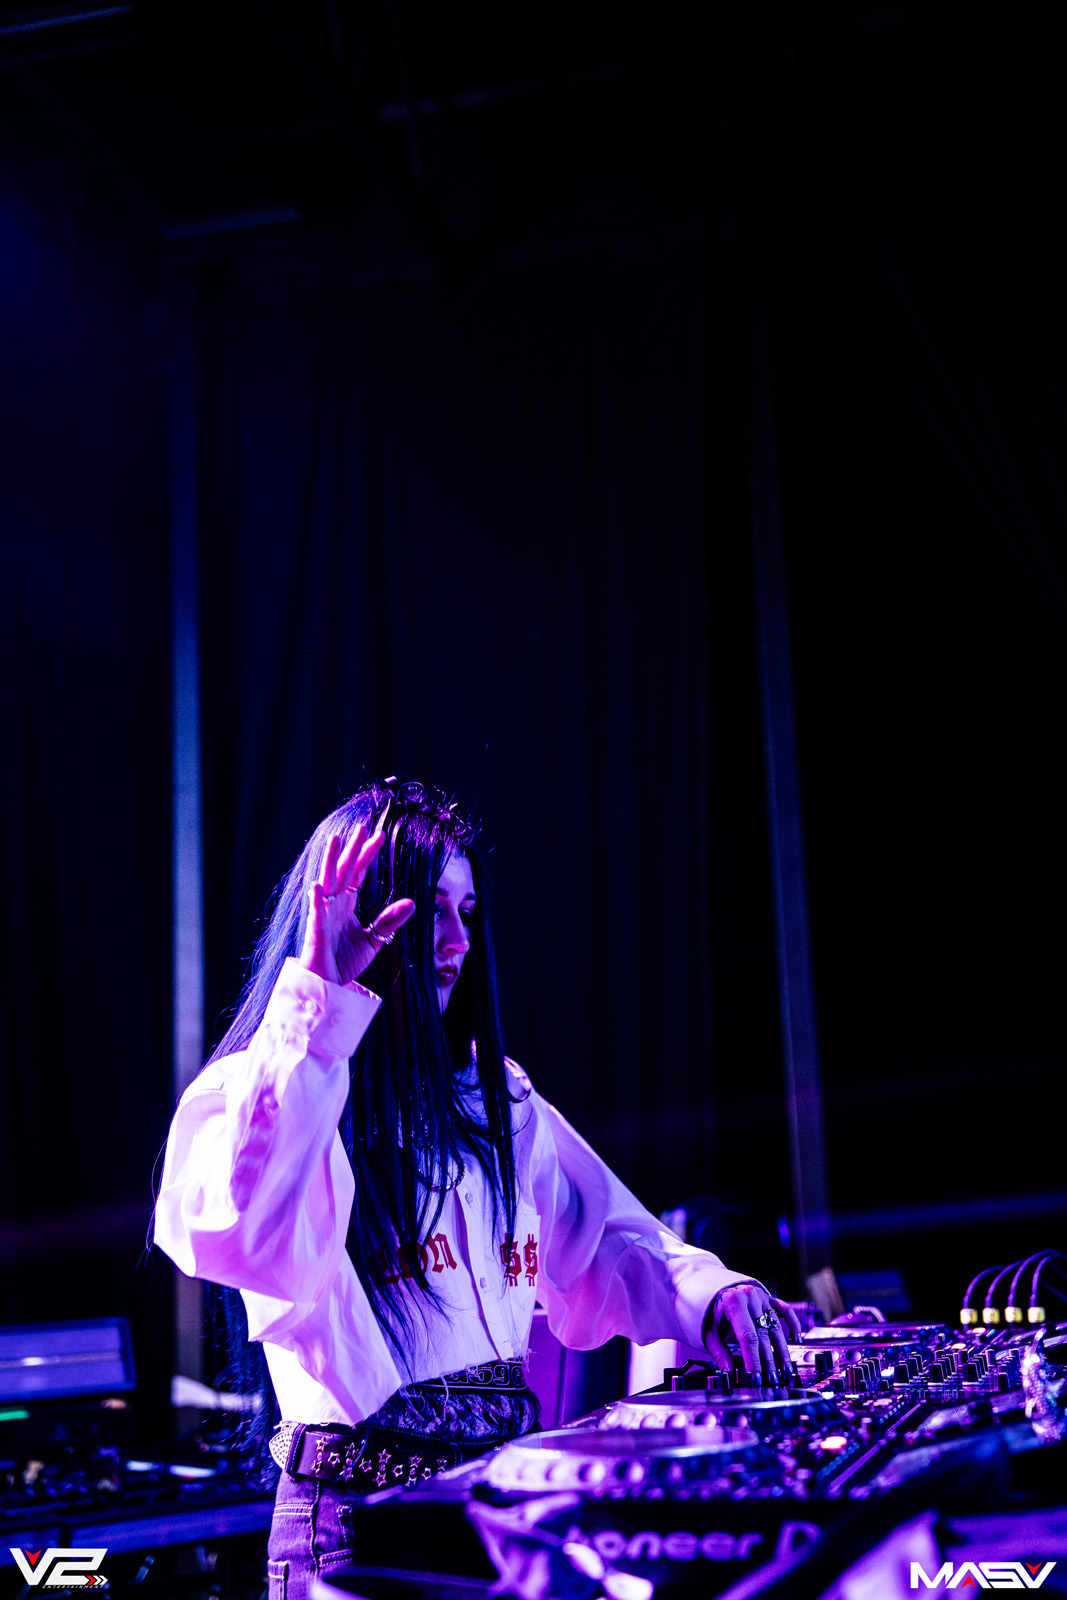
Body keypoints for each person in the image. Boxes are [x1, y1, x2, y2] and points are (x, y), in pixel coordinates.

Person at [155, 780, 800, 1599]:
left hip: (499, 1507)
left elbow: (607, 1239)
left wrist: (714, 1296)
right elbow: (236, 1231)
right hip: (357, 1530)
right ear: (357, 914)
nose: (456, 939)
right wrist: (316, 1005)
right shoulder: (255, 1087)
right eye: (428, 909)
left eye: (466, 911)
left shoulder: (495, 1097)